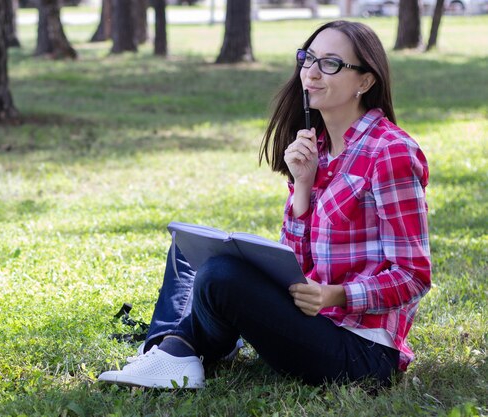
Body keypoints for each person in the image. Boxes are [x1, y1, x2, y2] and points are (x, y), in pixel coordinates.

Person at [98, 20, 431, 389]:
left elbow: (414, 276)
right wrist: (303, 185)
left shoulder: (390, 152)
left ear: (365, 82)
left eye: (331, 64)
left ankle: (179, 348)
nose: (312, 73)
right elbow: (300, 264)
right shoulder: (316, 147)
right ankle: (178, 350)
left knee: (221, 275)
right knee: (188, 251)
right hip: (314, 319)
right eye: (309, 59)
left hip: (360, 352)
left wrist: (334, 295)